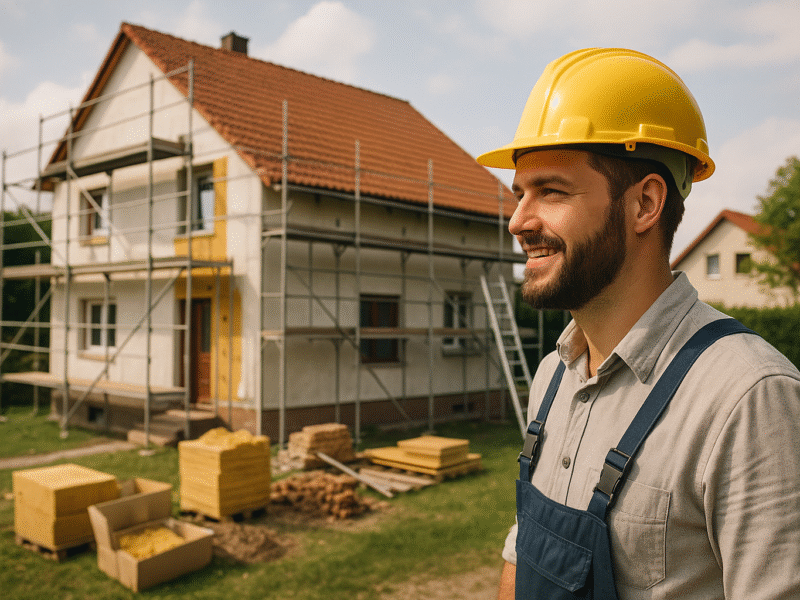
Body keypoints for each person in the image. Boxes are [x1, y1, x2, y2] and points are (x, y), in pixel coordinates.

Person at [477, 48, 800, 599]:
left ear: (646, 203)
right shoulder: (555, 375)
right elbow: (522, 549)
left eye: (551, 191)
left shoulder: (747, 400)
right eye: (519, 195)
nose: (518, 221)